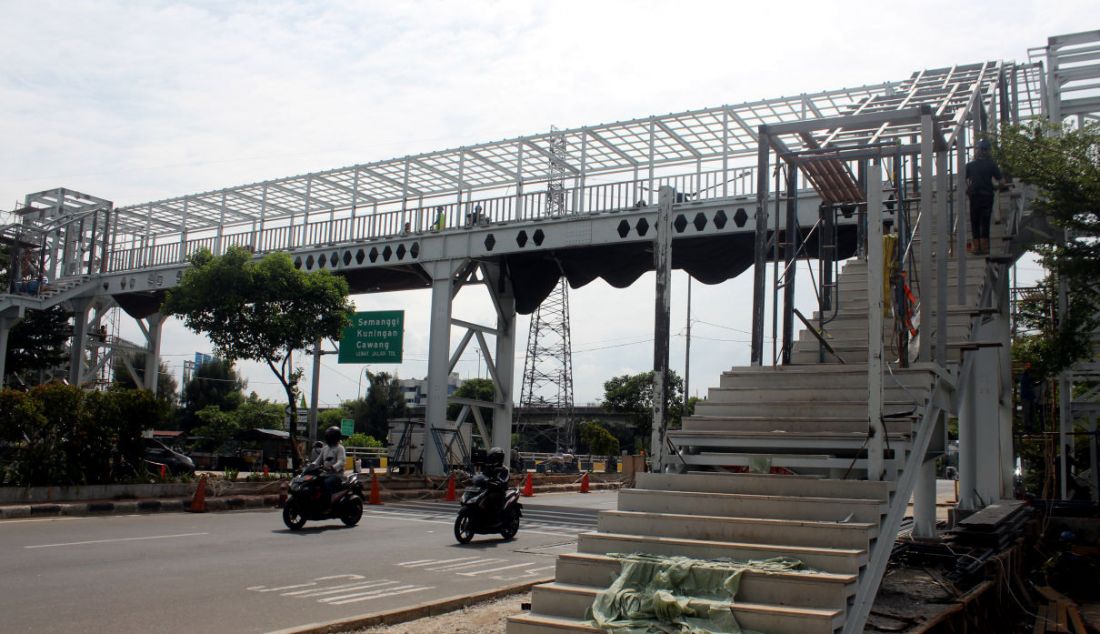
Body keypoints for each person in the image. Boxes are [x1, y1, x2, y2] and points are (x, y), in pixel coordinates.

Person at [965, 139, 1007, 255]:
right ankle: (985, 247)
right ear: (988, 151)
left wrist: (968, 188)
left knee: (975, 221)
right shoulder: (992, 164)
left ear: (977, 151)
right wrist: (997, 187)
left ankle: (976, 247)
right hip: (987, 195)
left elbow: (962, 178)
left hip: (974, 195)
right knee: (985, 221)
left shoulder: (970, 165)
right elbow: (1002, 181)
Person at [313, 426, 346, 500]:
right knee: (313, 482)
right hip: (325, 474)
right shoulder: (325, 448)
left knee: (326, 483)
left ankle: (327, 502)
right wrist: (310, 466)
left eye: (330, 436)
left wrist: (333, 467)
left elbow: (341, 461)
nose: (328, 438)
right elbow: (318, 460)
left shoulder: (340, 448)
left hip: (337, 475)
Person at [482, 446, 510, 512]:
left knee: (492, 497)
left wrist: (497, 481)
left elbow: (504, 480)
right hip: (488, 488)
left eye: (494, 457)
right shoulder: (488, 467)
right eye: (492, 457)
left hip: (499, 490)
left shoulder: (504, 469)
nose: (493, 459)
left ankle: (498, 515)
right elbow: (483, 475)